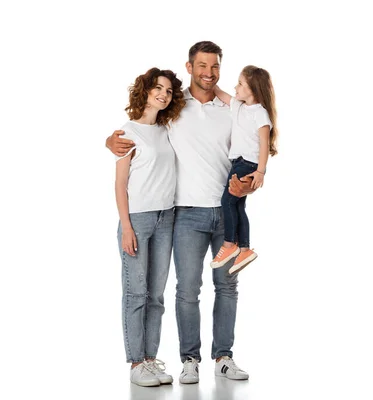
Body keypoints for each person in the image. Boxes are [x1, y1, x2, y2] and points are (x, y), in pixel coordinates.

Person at [106, 41, 254, 384]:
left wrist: (251, 181)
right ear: (189, 67)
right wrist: (110, 141)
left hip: (228, 211)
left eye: (215, 66)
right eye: (202, 66)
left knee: (226, 287)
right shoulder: (175, 106)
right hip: (185, 214)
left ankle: (224, 357)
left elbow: (260, 133)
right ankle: (189, 359)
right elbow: (137, 132)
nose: (208, 73)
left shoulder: (232, 108)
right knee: (186, 290)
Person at [114, 67, 185, 387]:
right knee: (136, 293)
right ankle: (135, 362)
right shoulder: (126, 133)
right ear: (145, 90)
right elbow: (120, 184)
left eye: (169, 91)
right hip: (139, 220)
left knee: (156, 295)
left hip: (166, 217)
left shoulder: (169, 129)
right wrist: (127, 227)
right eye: (158, 88)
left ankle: (150, 360)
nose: (163, 94)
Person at [209, 66, 279, 275]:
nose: (236, 87)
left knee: (227, 201)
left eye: (240, 84)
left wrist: (260, 171)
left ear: (254, 89)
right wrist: (211, 81)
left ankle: (230, 244)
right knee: (237, 206)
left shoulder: (260, 113)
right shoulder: (238, 106)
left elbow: (264, 144)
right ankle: (245, 249)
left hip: (247, 163)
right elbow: (220, 93)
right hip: (237, 162)